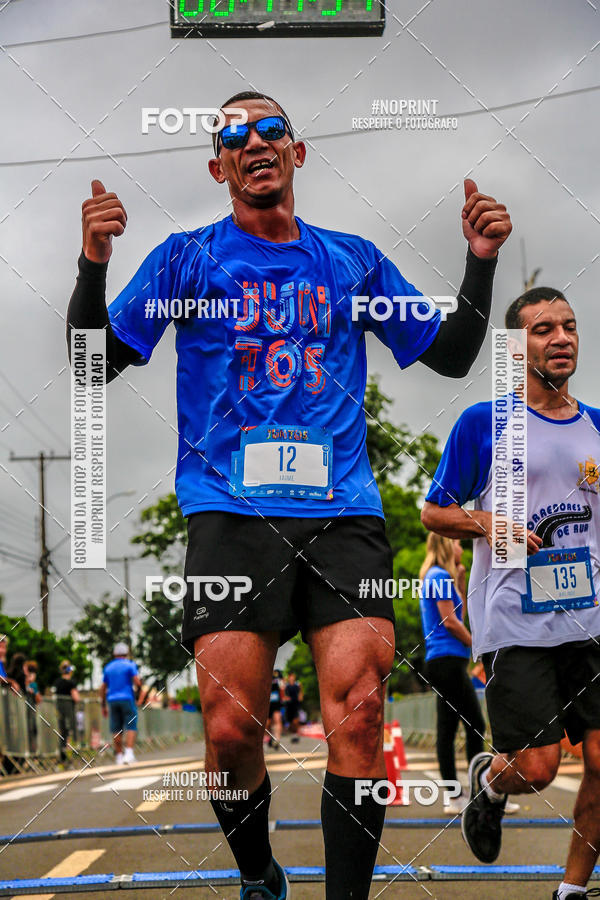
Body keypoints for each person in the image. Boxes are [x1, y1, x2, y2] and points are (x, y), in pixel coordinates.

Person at [67, 89, 512, 900]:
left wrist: (480, 260)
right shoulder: (185, 259)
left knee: (364, 714)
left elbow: (449, 354)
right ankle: (258, 873)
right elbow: (91, 364)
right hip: (230, 514)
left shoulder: (354, 261)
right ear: (220, 167)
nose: (256, 142)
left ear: (297, 153)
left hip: (344, 512)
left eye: (272, 129)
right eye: (235, 136)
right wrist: (93, 265)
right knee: (231, 731)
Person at [422, 286, 600, 900]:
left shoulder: (597, 426)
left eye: (569, 327)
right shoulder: (485, 423)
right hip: (517, 622)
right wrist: (488, 523)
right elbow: (434, 513)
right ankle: (492, 782)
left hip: (592, 622)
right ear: (514, 345)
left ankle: (571, 890)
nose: (561, 338)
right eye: (543, 329)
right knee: (539, 767)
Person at [418, 534, 519, 816]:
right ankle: (482, 791)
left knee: (448, 730)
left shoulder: (442, 577)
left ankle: (461, 795)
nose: (462, 547)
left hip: (446, 661)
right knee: (474, 723)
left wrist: (460, 580)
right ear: (446, 546)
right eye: (458, 543)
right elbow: (450, 622)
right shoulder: (438, 576)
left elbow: (457, 614)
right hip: (445, 661)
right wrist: (479, 646)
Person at [100, 642, 142, 765]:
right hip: (127, 698)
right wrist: (139, 693)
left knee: (116, 728)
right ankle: (129, 753)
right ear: (126, 653)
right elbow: (137, 682)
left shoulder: (108, 667)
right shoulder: (130, 665)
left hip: (112, 700)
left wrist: (103, 704)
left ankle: (119, 755)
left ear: (114, 654)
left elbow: (103, 688)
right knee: (131, 725)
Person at [53, 660, 80, 766]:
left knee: (62, 733)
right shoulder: (71, 682)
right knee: (72, 731)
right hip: (69, 711)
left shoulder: (57, 682)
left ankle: (63, 756)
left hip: (60, 712)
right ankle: (74, 754)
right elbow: (76, 697)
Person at [266, 670, 284, 750]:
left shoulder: (278, 676)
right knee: (267, 723)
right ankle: (270, 738)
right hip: (267, 704)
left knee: (277, 719)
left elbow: (282, 688)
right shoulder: (264, 674)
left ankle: (277, 739)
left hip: (276, 703)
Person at [284, 673, 303, 744]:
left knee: (296, 721)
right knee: (291, 722)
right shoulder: (286, 686)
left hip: (296, 705)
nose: (292, 678)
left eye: (293, 677)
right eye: (290, 677)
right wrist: (286, 699)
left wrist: (301, 691)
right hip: (289, 706)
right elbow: (284, 695)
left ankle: (295, 735)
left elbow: (300, 696)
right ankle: (293, 735)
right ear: (289, 678)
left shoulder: (297, 685)